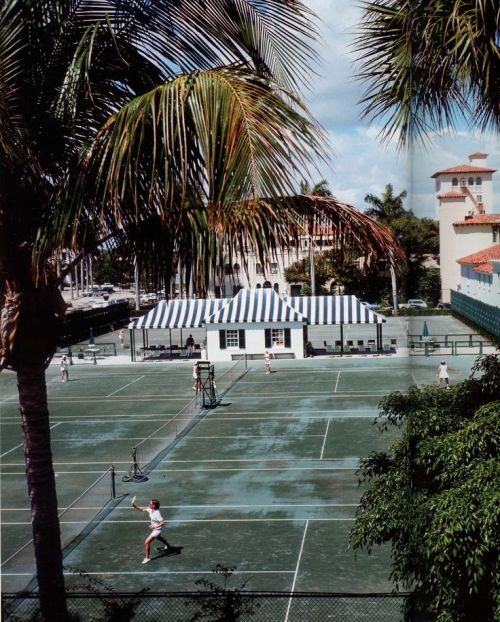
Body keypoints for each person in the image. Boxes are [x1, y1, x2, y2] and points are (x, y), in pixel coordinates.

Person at [132, 498, 172, 564]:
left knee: (146, 542)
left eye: (150, 504)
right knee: (159, 538)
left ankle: (147, 558)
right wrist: (135, 506)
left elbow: (163, 522)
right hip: (156, 528)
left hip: (157, 529)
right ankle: (168, 546)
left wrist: (155, 526)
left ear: (153, 505)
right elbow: (142, 509)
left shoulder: (157, 513)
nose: (148, 504)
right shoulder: (150, 509)